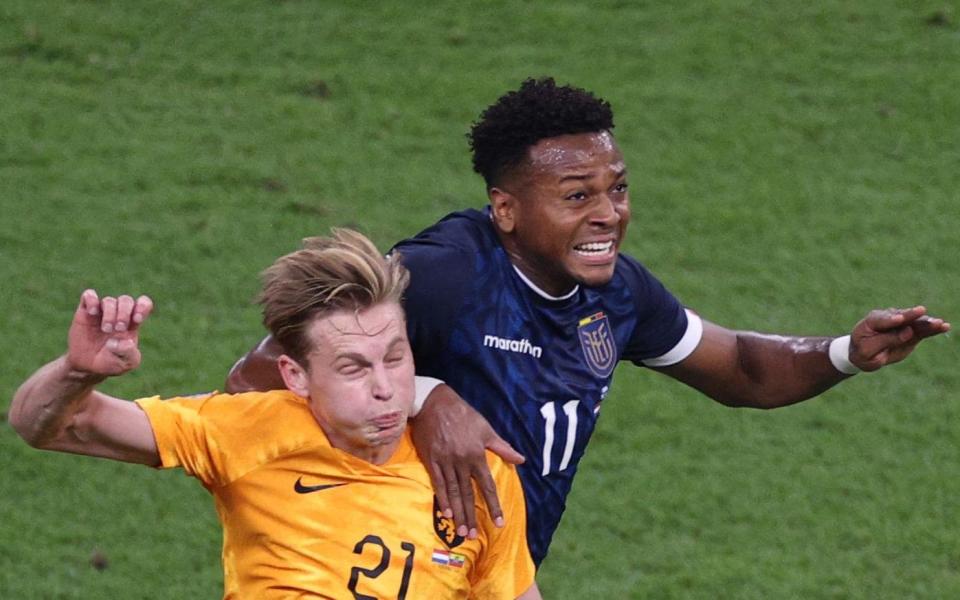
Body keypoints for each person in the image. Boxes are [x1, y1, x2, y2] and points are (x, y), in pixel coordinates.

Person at [226, 78, 951, 568]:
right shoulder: (443, 274)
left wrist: (845, 353)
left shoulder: (618, 297)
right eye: (577, 195)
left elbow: (744, 370)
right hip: (373, 565)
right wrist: (426, 396)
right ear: (506, 209)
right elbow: (253, 381)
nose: (608, 213)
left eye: (618, 188)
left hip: (495, 572)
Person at [10, 230, 540, 599]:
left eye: (396, 358)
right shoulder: (250, 431)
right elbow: (52, 424)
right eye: (353, 369)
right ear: (296, 376)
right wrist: (78, 372)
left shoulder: (476, 471)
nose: (386, 390)